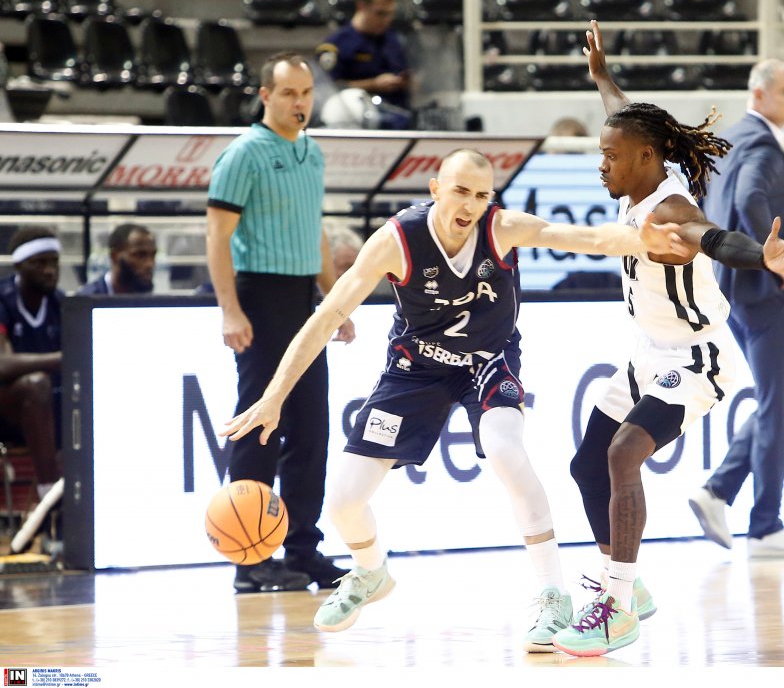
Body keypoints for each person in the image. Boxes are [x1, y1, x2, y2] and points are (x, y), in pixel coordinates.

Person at [219, 148, 688, 652]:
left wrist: (642, 239)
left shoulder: (500, 228)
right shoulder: (396, 241)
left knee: (506, 450)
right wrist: (273, 397)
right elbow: (325, 316)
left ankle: (553, 595)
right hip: (416, 368)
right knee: (343, 502)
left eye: (481, 195)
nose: (470, 204)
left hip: (488, 360)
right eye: (461, 191)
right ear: (436, 189)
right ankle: (371, 571)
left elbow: (583, 238)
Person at [549, 21, 784, 658]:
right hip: (648, 353)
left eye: (610, 156)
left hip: (696, 357)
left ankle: (617, 606)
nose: (602, 163)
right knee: (586, 465)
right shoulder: (639, 162)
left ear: (646, 158)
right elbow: (622, 117)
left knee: (623, 455)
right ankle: (626, 583)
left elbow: (714, 239)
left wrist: (763, 256)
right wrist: (602, 77)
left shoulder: (670, 211)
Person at [206, 50, 351, 594]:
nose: (299, 102)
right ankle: (249, 559)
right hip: (258, 296)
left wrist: (334, 300)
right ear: (265, 95)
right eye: (289, 92)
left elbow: (315, 231)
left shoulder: (311, 153)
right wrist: (229, 309)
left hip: (302, 299)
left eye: (306, 93)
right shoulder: (244, 153)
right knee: (260, 426)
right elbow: (217, 237)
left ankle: (302, 550)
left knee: (312, 428)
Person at [686, 58, 784, 559]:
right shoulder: (763, 146)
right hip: (762, 290)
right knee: (778, 401)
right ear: (759, 94)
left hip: (730, 289)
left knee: (777, 399)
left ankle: (718, 491)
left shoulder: (730, 142)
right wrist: (776, 258)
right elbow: (749, 199)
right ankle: (764, 526)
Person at [0, 227, 64, 554]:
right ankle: (52, 505)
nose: (50, 270)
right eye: (40, 263)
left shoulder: (61, 303)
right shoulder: (2, 300)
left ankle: (70, 512)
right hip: (6, 410)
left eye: (54, 262)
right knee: (36, 385)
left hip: (47, 414)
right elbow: (2, 364)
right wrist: (62, 359)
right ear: (19, 266)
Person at [316, 0, 410, 112]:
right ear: (362, 6)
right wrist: (373, 84)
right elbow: (327, 87)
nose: (387, 20)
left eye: (390, 14)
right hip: (355, 116)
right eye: (380, 13)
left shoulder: (394, 40)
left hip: (398, 113)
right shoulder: (337, 44)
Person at [78, 223, 157, 295]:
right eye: (140, 255)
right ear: (114, 256)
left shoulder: (154, 302)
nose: (150, 264)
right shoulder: (86, 300)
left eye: (153, 255)